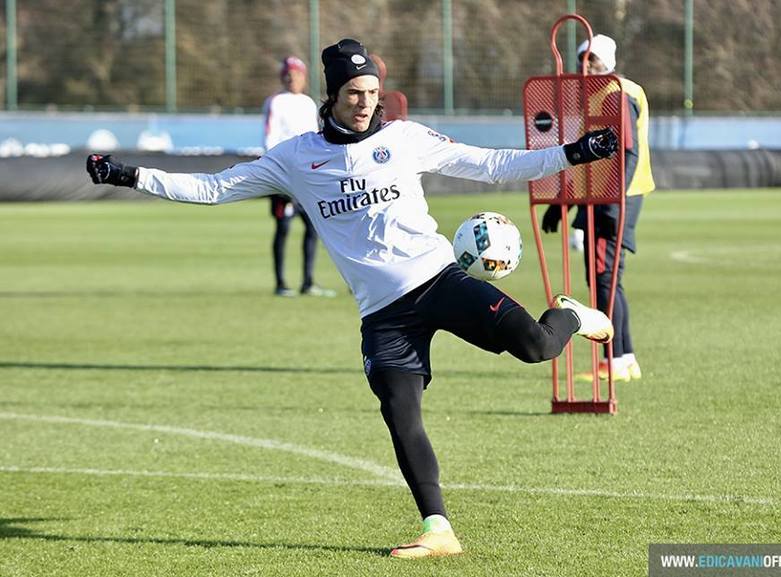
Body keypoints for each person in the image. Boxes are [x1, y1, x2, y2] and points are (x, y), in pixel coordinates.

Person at [87, 38, 618, 559]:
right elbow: (215, 188)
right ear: (332, 95)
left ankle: (570, 314)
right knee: (401, 413)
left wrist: (571, 153)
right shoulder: (295, 159)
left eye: (372, 93)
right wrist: (130, 176)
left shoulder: (406, 138)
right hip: (383, 314)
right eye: (354, 94)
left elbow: (493, 164)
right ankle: (439, 529)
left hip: (439, 281)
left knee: (537, 347)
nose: (365, 104)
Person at [541, 34, 655, 383]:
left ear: (609, 62)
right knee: (606, 281)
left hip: (615, 199)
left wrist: (613, 196)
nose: (586, 65)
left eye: (593, 59)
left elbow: (628, 153)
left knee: (604, 280)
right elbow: (588, 157)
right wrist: (563, 202)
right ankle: (626, 357)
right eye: (582, 59)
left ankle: (614, 361)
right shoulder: (594, 95)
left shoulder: (617, 94)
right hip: (601, 195)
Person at [263, 55, 335, 297]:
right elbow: (270, 138)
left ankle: (307, 281)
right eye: (288, 73)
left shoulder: (308, 104)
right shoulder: (275, 102)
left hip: (307, 176)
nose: (292, 78)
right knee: (283, 226)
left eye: (296, 74)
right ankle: (281, 282)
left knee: (312, 226)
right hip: (283, 174)